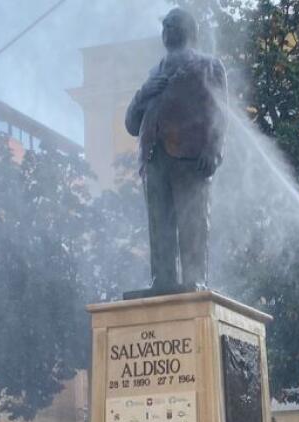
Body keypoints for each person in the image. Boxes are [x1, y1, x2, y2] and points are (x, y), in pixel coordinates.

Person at [124, 7, 227, 293]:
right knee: (159, 224)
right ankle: (162, 280)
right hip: (154, 159)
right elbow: (131, 124)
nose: (167, 30)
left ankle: (196, 279)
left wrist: (214, 150)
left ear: (189, 31)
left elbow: (220, 113)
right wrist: (145, 93)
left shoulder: (209, 66)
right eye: (165, 26)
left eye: (173, 25)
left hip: (191, 158)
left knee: (192, 222)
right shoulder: (153, 73)